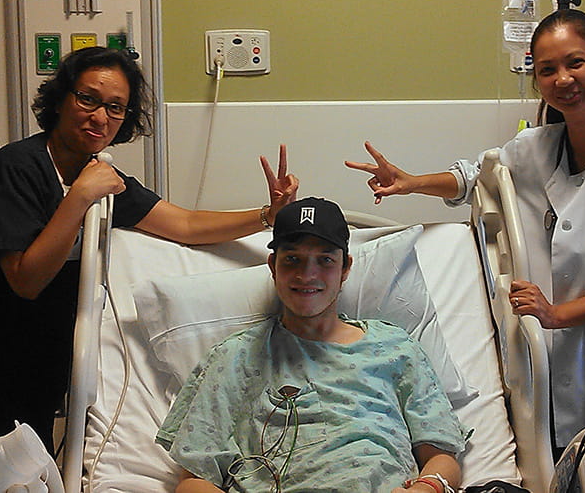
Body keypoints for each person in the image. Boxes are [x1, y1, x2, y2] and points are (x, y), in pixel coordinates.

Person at [0, 46, 299, 493]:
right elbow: (26, 279)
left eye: (115, 107)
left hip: (35, 362)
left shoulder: (101, 177)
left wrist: (268, 215)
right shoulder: (18, 168)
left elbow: (186, 224)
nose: (100, 116)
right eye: (88, 99)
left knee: (24, 478)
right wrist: (80, 197)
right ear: (61, 99)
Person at [345, 9, 585, 492]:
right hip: (553, 381)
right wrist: (410, 183)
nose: (562, 79)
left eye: (576, 63)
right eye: (547, 70)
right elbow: (477, 178)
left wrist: (554, 314)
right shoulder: (534, 147)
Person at [156, 197, 466, 493]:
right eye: (293, 259)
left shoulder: (395, 347)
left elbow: (441, 456)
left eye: (325, 260)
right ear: (273, 265)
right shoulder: (235, 357)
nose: (307, 275)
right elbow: (194, 480)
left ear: (345, 268)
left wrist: (429, 485)